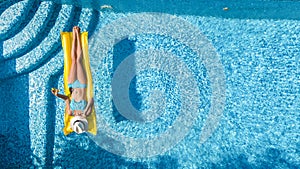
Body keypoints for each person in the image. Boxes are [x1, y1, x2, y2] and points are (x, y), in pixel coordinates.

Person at [51, 26, 94, 134]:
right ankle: (77, 35)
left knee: (73, 60)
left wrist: (58, 95)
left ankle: (74, 36)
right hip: (82, 85)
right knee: (78, 60)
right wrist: (84, 112)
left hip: (72, 85)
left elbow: (67, 99)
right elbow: (91, 100)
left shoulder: (70, 112)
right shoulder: (87, 113)